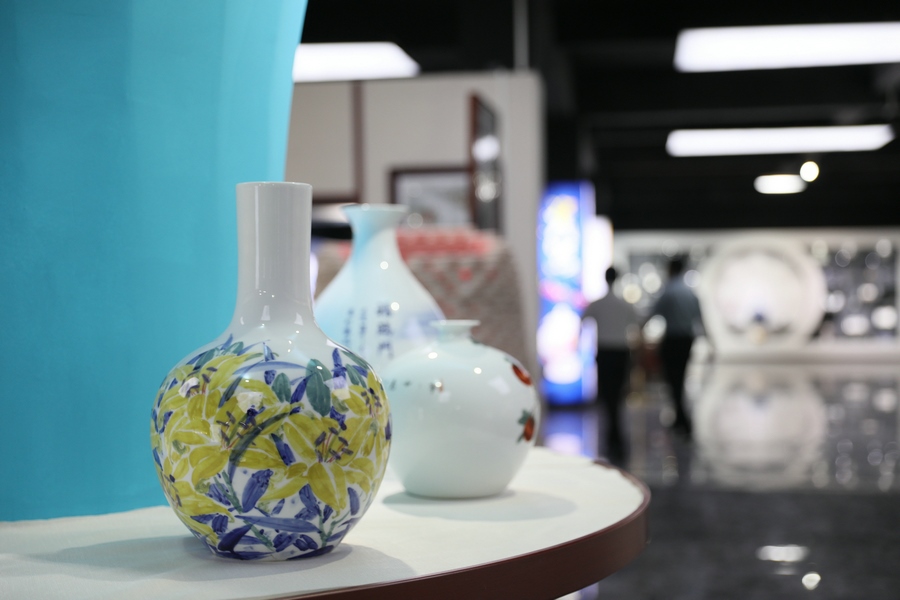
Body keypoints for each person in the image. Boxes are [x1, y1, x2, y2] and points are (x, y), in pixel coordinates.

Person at [581, 267, 641, 463]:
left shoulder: (598, 304)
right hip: (620, 352)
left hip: (606, 352)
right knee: (617, 394)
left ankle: (612, 437)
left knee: (608, 395)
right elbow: (637, 325)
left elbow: (583, 321)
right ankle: (615, 437)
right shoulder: (624, 305)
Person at [649, 257, 705, 438]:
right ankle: (681, 419)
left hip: (672, 340)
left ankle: (682, 419)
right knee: (680, 377)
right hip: (687, 340)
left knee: (674, 380)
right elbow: (700, 317)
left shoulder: (669, 291)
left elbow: (654, 313)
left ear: (671, 269)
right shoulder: (689, 292)